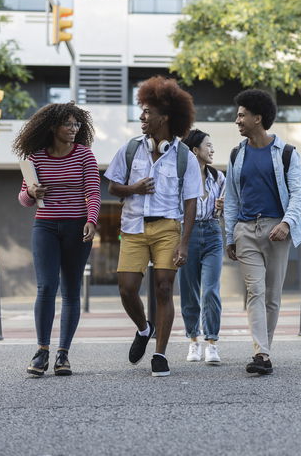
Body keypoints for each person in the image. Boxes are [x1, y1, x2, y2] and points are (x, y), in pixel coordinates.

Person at [105, 76, 203, 377]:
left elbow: (190, 202)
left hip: (167, 229)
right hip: (133, 227)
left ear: (165, 116)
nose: (142, 117)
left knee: (164, 287)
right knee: (126, 288)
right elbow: (112, 187)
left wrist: (184, 243)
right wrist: (132, 188)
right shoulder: (131, 149)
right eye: (142, 111)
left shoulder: (185, 156)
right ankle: (143, 328)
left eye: (148, 112)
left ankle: (159, 354)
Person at [13, 102, 101, 377]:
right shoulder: (35, 158)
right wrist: (33, 192)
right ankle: (42, 351)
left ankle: (63, 354)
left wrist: (91, 220)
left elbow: (94, 193)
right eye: (68, 124)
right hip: (46, 227)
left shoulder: (85, 155)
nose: (73, 129)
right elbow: (24, 199)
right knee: (46, 287)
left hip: (77, 227)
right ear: (52, 127)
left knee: (72, 290)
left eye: (77, 124)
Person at [225, 89, 301, 375]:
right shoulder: (237, 154)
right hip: (246, 230)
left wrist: (286, 223)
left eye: (241, 115)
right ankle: (261, 353)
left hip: (277, 230)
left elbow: (299, 193)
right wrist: (229, 236)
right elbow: (232, 198)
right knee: (255, 291)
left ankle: (264, 353)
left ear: (258, 118)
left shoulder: (286, 153)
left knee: (272, 295)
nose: (237, 120)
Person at [179, 129, 225, 364]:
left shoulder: (219, 177)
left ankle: (212, 343)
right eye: (208, 145)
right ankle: (193, 341)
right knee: (189, 292)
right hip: (187, 234)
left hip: (213, 232)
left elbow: (228, 208)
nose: (212, 149)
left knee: (210, 290)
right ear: (195, 150)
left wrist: (223, 206)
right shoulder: (181, 178)